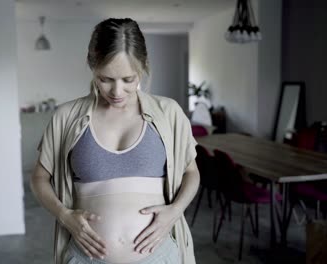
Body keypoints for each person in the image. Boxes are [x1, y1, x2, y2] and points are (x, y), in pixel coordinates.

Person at [31, 18, 200, 264]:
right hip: (86, 258)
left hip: (160, 257)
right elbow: (39, 178)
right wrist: (65, 216)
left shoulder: (169, 112)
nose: (116, 91)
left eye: (128, 80)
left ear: (144, 66)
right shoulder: (66, 117)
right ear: (92, 66)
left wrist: (174, 212)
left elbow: (191, 173)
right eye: (105, 79)